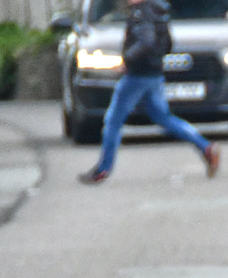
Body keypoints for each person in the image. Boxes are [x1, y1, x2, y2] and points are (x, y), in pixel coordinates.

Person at [79, 0, 220, 187]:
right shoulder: (159, 10)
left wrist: (127, 60)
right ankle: (206, 148)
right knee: (164, 118)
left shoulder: (141, 13)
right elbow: (168, 43)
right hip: (154, 75)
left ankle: (103, 169)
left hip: (136, 76)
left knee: (113, 121)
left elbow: (146, 41)